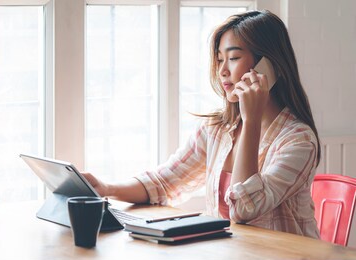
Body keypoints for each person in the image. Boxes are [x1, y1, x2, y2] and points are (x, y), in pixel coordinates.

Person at [84, 10, 321, 239]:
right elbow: (164, 182)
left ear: (269, 66)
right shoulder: (216, 129)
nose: (223, 71)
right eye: (219, 60)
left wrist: (251, 122)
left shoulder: (299, 140)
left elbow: (244, 209)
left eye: (234, 58)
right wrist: (106, 188)